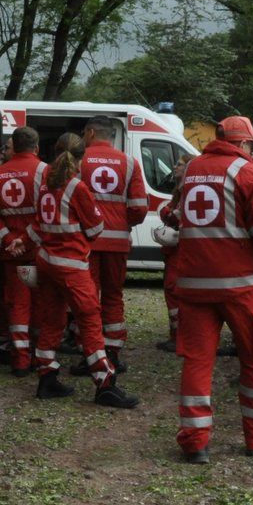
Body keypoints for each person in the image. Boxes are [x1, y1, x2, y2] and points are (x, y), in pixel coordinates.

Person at [159, 116, 253, 462]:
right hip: (241, 287)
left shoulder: (194, 168)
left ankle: (194, 441)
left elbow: (176, 213)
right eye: (251, 146)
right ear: (242, 144)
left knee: (197, 363)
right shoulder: (246, 173)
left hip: (194, 286)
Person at [28, 133, 139, 408]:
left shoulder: (45, 184)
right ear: (80, 159)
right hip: (71, 265)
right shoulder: (77, 188)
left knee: (52, 320)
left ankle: (47, 377)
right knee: (90, 319)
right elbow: (95, 228)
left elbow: (37, 226)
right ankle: (104, 385)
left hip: (47, 261)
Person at [79, 115, 149, 371]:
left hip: (86, 242)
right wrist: (123, 223)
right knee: (113, 295)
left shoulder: (78, 160)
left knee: (88, 298)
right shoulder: (130, 163)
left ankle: (90, 353)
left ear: (91, 132)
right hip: (118, 243)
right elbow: (140, 207)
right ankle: (113, 352)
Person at [0, 128, 46, 376]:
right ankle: (40, 356)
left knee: (18, 305)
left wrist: (10, 240)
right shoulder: (45, 172)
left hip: (12, 255)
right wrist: (27, 239)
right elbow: (48, 213)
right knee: (42, 304)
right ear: (36, 147)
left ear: (13, 147)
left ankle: (19, 361)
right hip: (40, 252)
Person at [153, 154, 191, 353]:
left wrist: (164, 211)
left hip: (179, 249)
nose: (175, 167)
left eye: (180, 164)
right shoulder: (181, 190)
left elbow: (172, 216)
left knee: (173, 289)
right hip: (174, 249)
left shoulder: (186, 191)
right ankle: (175, 335)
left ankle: (178, 337)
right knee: (171, 290)